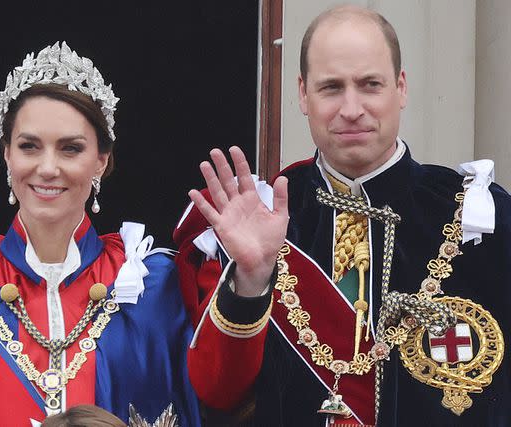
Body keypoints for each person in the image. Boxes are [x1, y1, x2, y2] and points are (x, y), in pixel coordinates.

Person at [175, 5, 509, 426]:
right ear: (302, 94)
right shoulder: (256, 216)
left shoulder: (482, 218)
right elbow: (217, 394)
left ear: (401, 88)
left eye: (370, 84)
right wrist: (251, 279)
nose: (351, 108)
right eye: (331, 87)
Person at [0, 42, 200, 426]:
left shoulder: (152, 286)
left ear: (101, 160)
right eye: (29, 146)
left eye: (70, 149)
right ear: (7, 154)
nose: (47, 168)